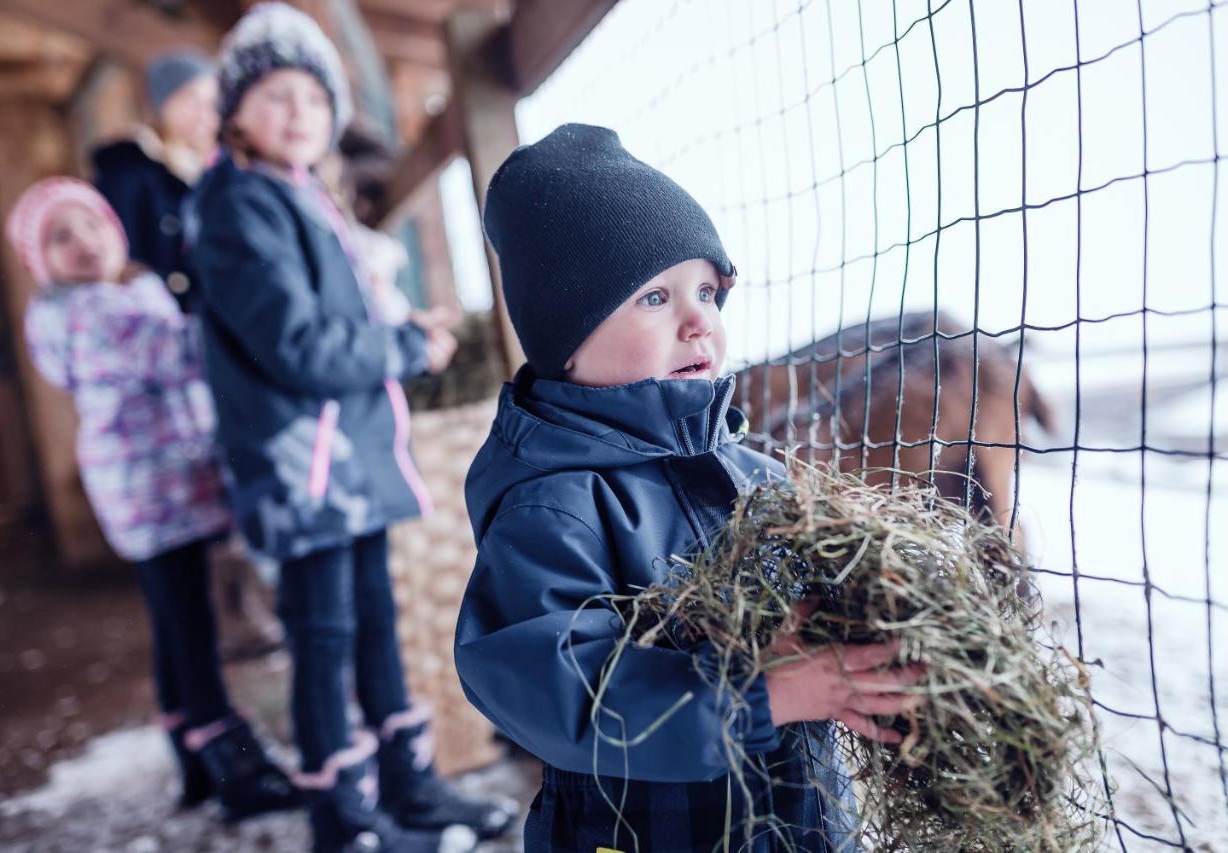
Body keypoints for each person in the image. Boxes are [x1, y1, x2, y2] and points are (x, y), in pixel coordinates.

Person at [455, 124, 925, 852]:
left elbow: (810, 617)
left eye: (707, 289)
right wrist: (765, 693)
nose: (699, 317)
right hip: (646, 831)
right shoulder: (554, 505)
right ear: (567, 339)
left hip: (800, 818)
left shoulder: (758, 477)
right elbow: (559, 687)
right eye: (654, 296)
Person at [185, 5, 515, 852]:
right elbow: (298, 346)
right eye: (276, 94)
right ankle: (343, 815)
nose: (300, 112)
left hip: (345, 459)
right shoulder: (235, 205)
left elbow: (334, 314)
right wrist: (408, 344)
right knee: (325, 634)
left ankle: (408, 789)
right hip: (304, 465)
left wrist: (402, 320)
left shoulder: (293, 194)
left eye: (314, 96)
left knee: (373, 621)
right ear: (234, 113)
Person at [7, 177, 299, 821]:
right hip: (154, 492)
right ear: (41, 262)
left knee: (175, 625)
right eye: (61, 236)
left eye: (93, 224)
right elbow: (179, 354)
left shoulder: (119, 299)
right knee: (191, 626)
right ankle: (232, 763)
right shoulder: (90, 314)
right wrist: (250, 314)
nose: (84, 242)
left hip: (161, 488)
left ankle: (191, 755)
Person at [93, 49, 219, 313]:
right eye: (190, 98)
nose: (203, 113)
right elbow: (123, 257)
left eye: (211, 102)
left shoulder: (215, 168)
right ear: (163, 103)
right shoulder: (128, 168)